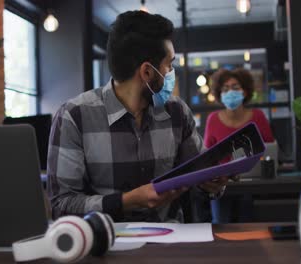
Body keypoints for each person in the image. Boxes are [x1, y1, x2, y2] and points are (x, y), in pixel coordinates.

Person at [47, 11, 228, 222]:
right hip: (106, 244)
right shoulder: (74, 116)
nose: (172, 71)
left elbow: (200, 178)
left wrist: (212, 182)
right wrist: (126, 201)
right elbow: (62, 206)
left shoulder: (177, 112)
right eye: (169, 64)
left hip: (172, 243)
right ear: (147, 72)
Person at [204, 68, 275, 223]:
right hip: (221, 185)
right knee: (220, 226)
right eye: (226, 88)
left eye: (236, 87)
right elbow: (206, 156)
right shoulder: (213, 119)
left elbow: (270, 151)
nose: (231, 92)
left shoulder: (258, 116)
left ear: (245, 91)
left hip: (252, 184)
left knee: (249, 226)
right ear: (219, 93)